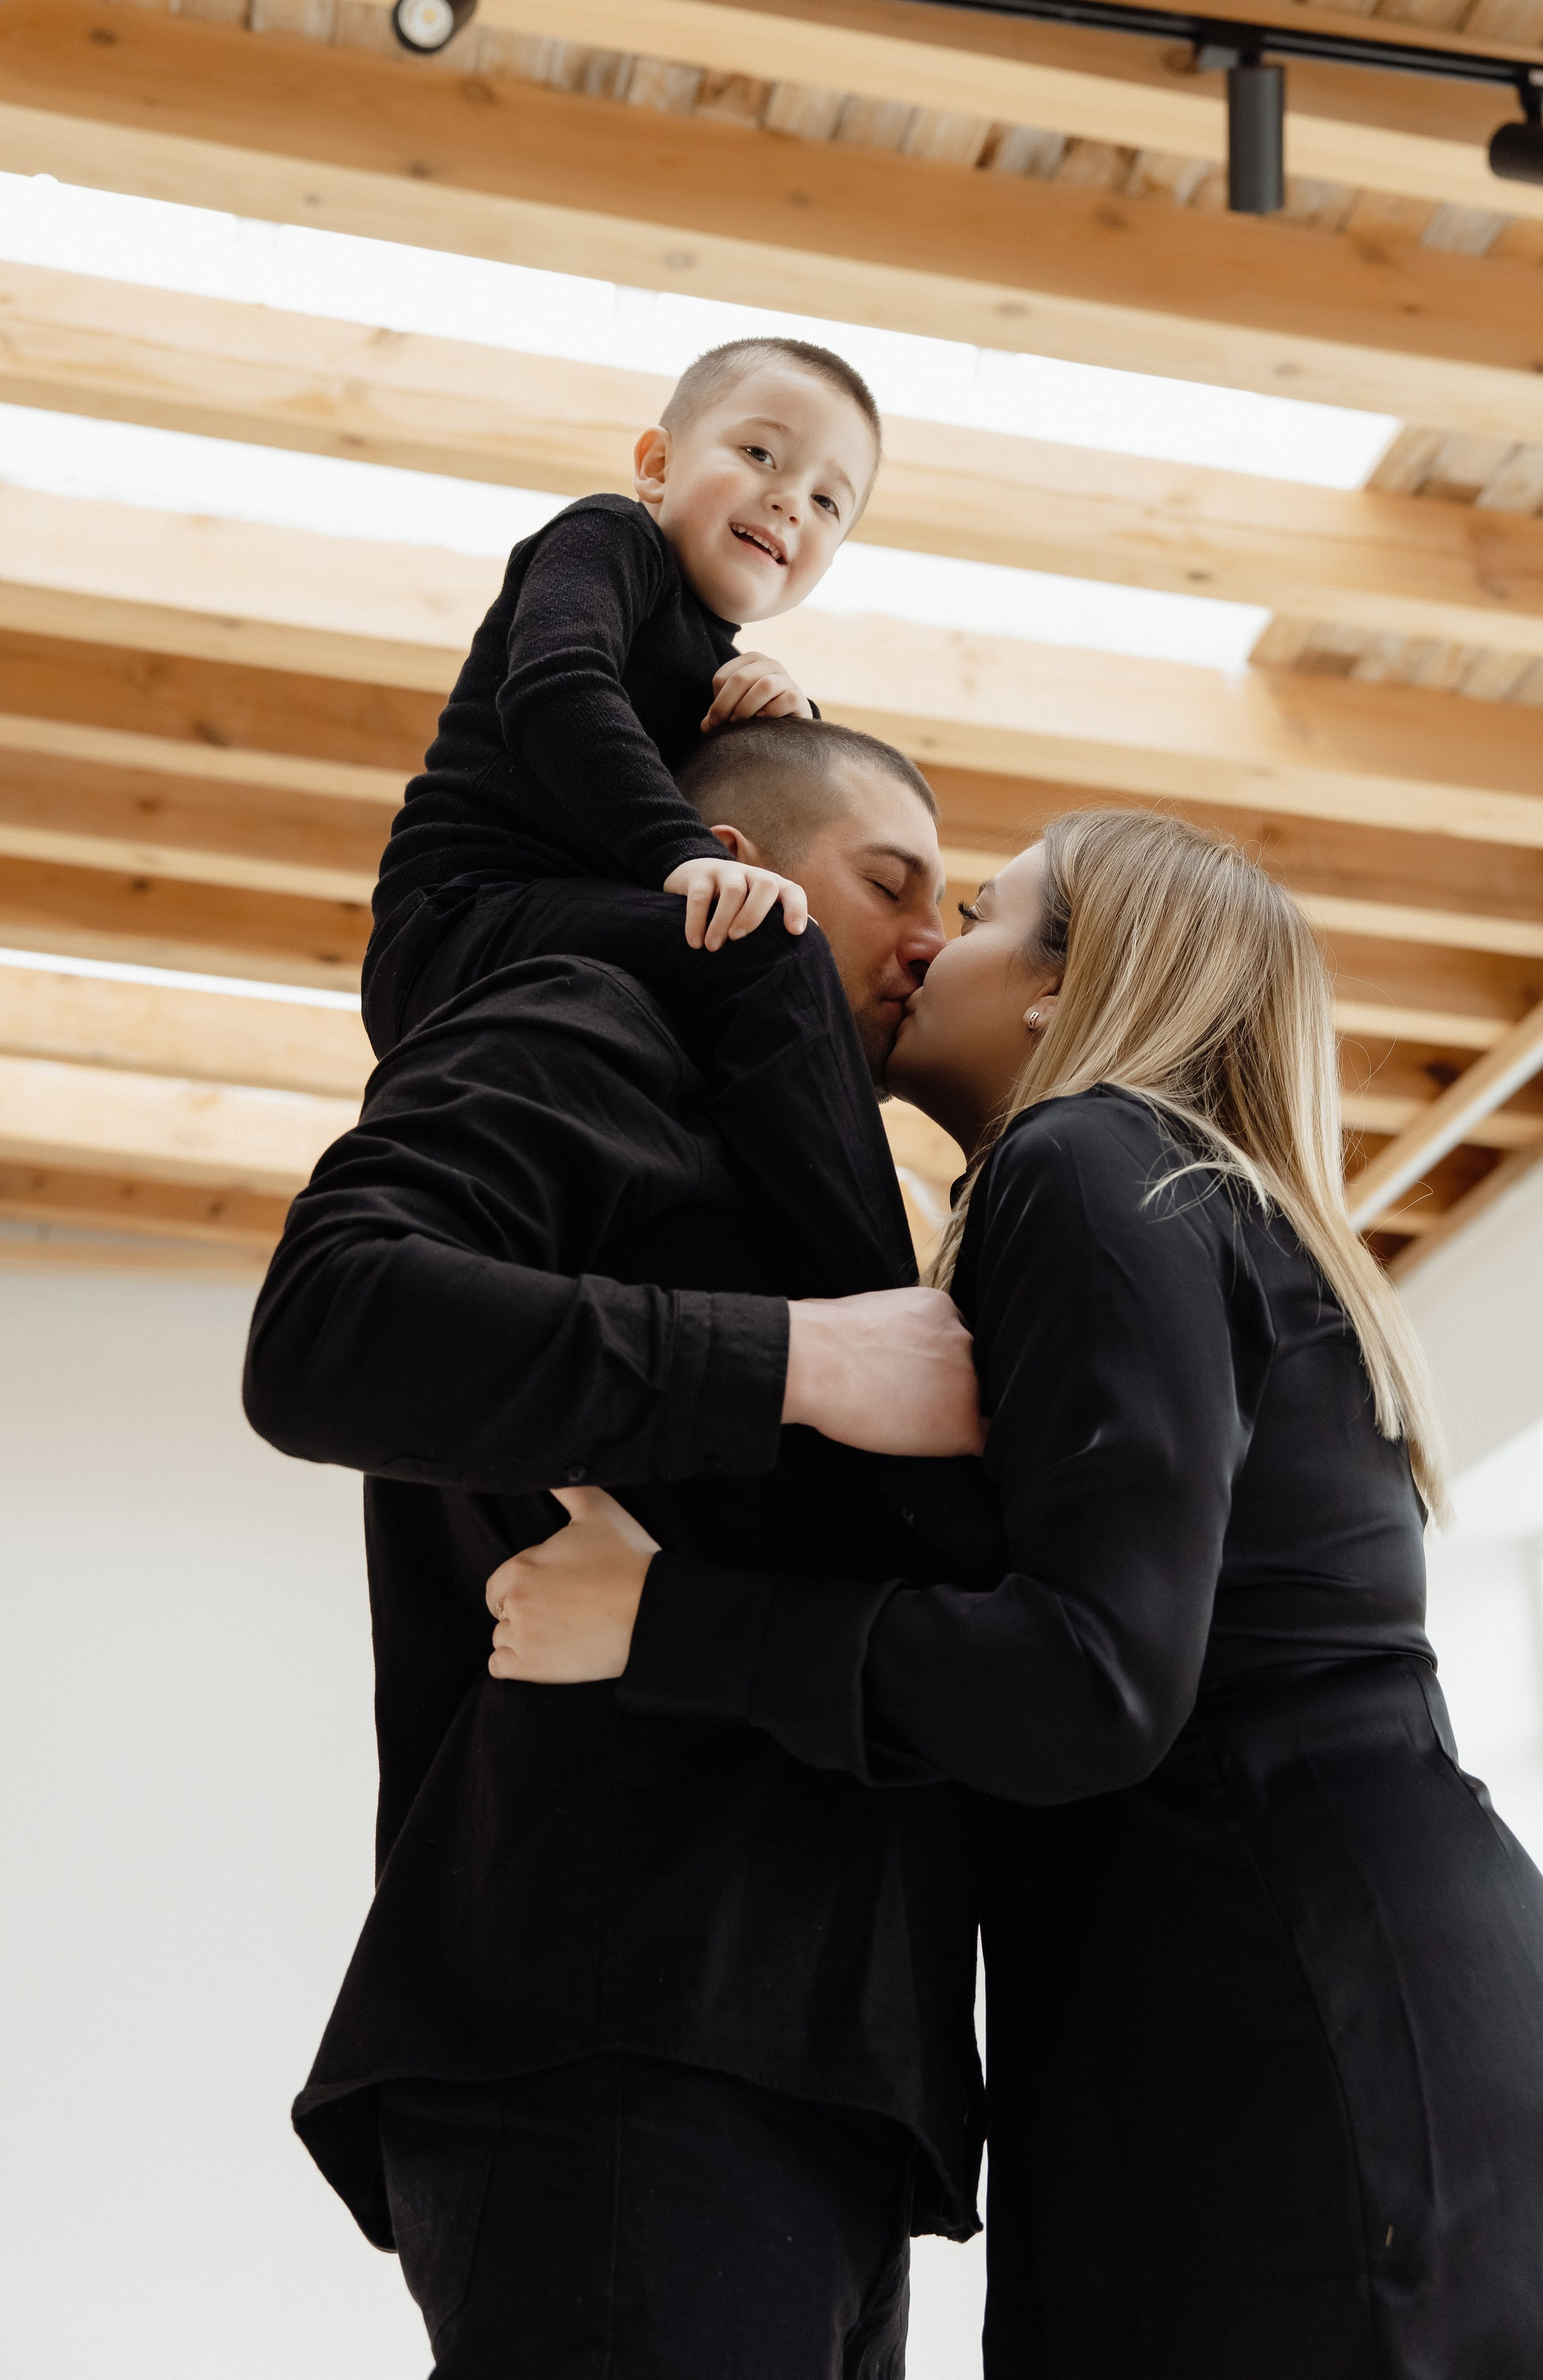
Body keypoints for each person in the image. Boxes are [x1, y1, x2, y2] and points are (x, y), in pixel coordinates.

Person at [493, 807, 1543, 2380]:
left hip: (1309, 2048)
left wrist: (662, 1621)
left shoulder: (1085, 1163)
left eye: (982, 911)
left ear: (1059, 997)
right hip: (1349, 2022)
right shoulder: (1176, 1199)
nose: (930, 937)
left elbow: (1091, 1680)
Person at [243, 720, 991, 2380]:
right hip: (620, 2045)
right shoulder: (591, 1016)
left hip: (797, 2076)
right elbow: (323, 1330)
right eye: (891, 881)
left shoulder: (810, 1156)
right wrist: (806, 1360)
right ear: (718, 855)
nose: (933, 938)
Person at [363, 336, 907, 1298]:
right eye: (762, 455)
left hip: (571, 932)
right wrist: (684, 854)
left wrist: (793, 719)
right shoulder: (609, 540)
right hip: (463, 919)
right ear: (657, 466)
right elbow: (558, 690)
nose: (791, 500)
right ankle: (884, 1300)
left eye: (830, 501)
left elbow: (774, 796)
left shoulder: (726, 670)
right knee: (771, 943)